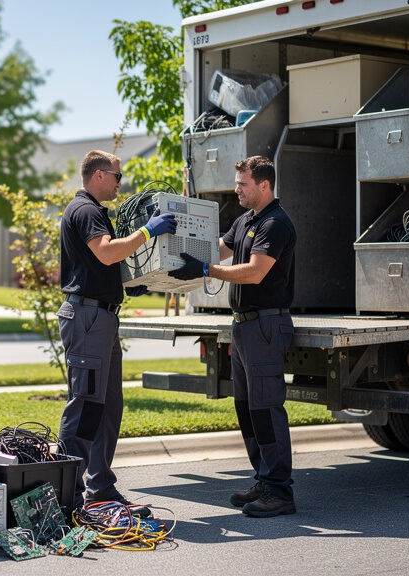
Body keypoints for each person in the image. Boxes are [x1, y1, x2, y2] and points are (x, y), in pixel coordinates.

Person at [168, 155, 296, 518]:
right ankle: (264, 478)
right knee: (247, 408)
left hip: (267, 326)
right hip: (243, 326)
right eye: (237, 182)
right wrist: (169, 259)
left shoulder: (275, 224)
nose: (236, 188)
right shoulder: (245, 221)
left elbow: (255, 273)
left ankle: (280, 491)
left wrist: (207, 269)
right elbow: (217, 249)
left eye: (243, 183)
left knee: (266, 409)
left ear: (264, 185)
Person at [58, 149, 176, 515]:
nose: (120, 183)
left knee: (108, 407)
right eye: (116, 176)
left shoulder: (95, 212)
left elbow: (104, 264)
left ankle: (102, 490)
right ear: (97, 175)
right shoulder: (87, 210)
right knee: (86, 406)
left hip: (101, 317)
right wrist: (147, 230)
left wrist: (129, 284)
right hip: (88, 318)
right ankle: (68, 497)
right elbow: (107, 253)